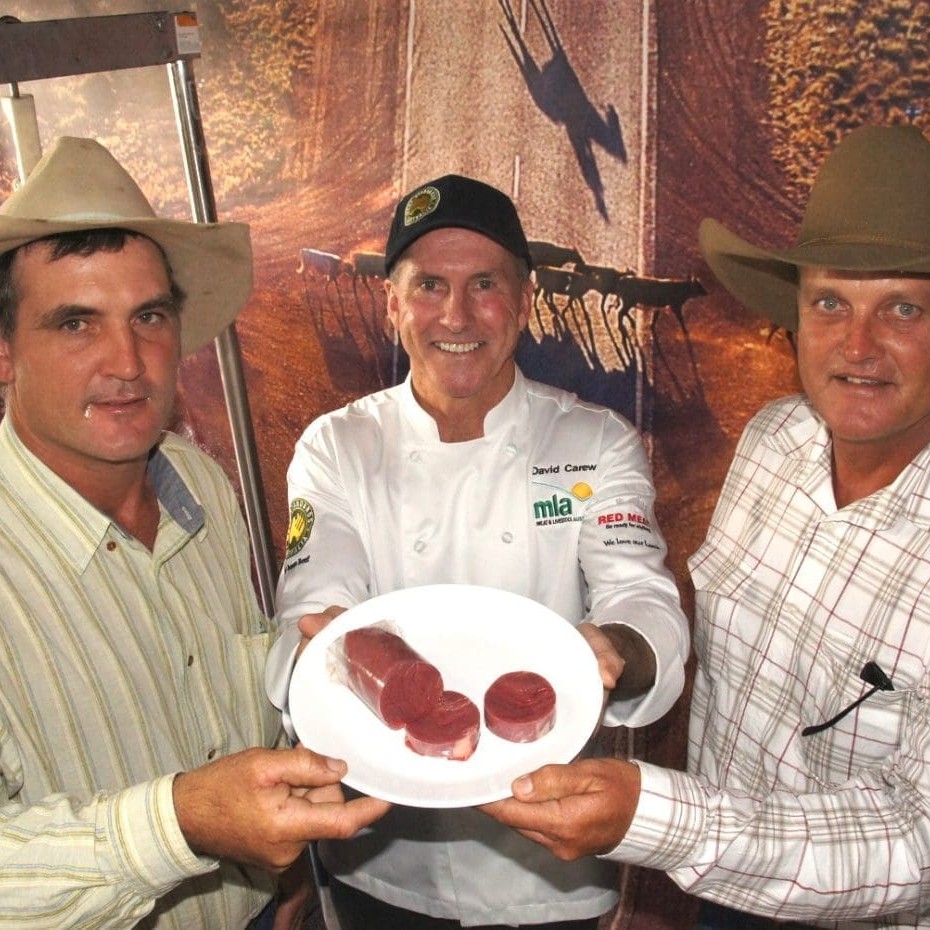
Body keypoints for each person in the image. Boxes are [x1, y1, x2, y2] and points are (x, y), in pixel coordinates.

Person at [483, 123, 930, 929]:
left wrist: (656, 821)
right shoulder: (773, 441)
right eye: (831, 301)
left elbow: (917, 837)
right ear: (794, 314)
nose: (858, 345)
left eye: (903, 307)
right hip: (718, 890)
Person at [265, 173, 690, 929]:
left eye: (484, 284)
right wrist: (320, 645)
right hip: (381, 857)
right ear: (393, 303)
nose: (455, 315)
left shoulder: (593, 443)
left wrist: (617, 645)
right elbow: (312, 603)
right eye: (428, 285)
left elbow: (642, 597)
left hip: (547, 862)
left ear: (523, 302)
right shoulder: (338, 446)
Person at [0, 136, 389, 930]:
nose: (128, 361)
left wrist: (281, 879)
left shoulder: (200, 481)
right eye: (76, 323)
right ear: (4, 350)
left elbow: (228, 692)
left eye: (149, 316)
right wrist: (178, 822)